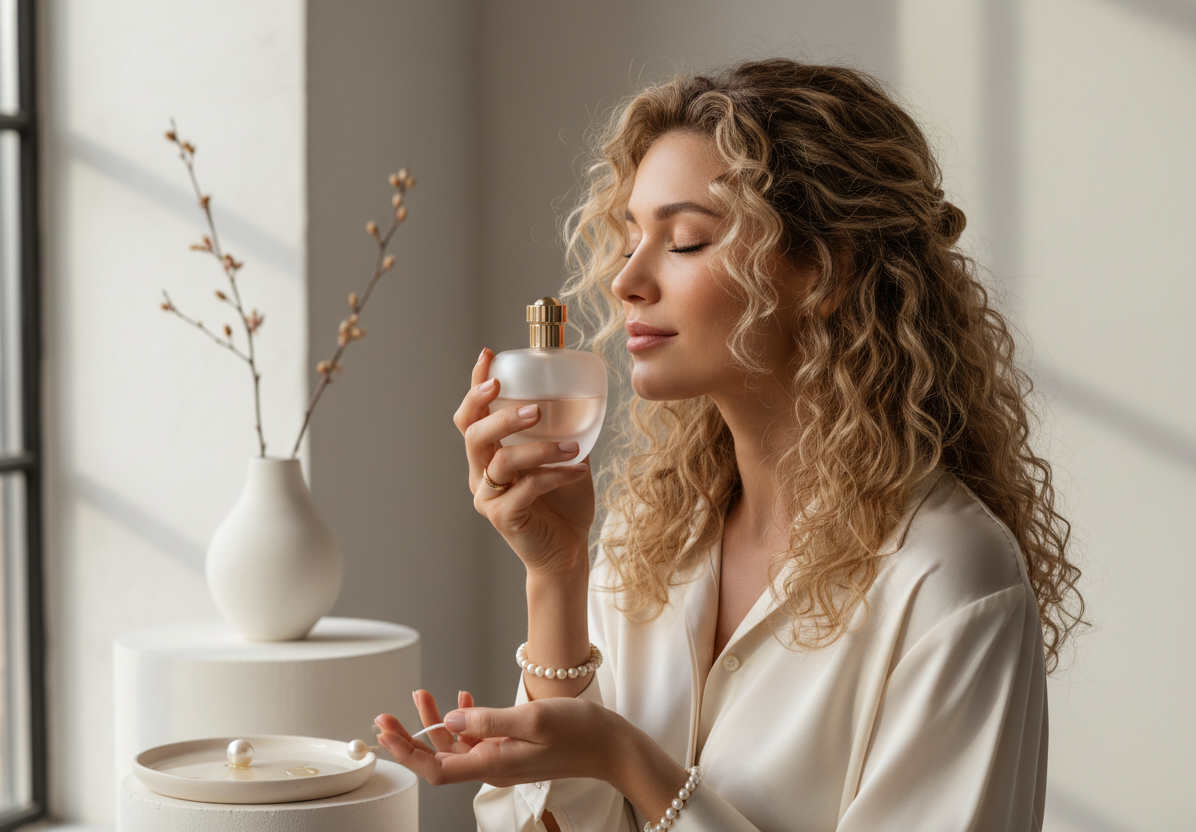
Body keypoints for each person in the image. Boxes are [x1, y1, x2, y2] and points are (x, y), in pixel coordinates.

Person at [374, 57, 1085, 832]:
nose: (626, 281)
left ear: (823, 270)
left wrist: (631, 763)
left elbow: (618, 775)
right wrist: (555, 571)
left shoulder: (948, 579)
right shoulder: (656, 532)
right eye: (629, 235)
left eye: (682, 242)